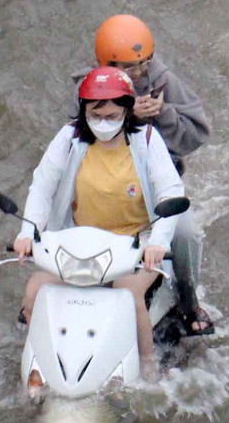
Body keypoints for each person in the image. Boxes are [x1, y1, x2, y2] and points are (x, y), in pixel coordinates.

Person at [15, 66, 184, 378]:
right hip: (79, 244)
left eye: (111, 115)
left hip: (135, 243)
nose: (103, 123)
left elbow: (170, 190)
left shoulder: (147, 140)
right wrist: (28, 232)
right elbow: (42, 186)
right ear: (83, 112)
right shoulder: (68, 139)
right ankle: (36, 363)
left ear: (127, 110)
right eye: (96, 114)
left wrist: (158, 243)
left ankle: (148, 368)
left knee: (127, 293)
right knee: (33, 290)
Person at [89, 14, 214, 336]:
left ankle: (188, 302)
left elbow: (197, 134)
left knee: (185, 235)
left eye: (143, 63)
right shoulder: (88, 87)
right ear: (106, 64)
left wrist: (163, 113)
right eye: (128, 67)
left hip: (157, 181)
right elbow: (76, 135)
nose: (139, 73)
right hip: (103, 179)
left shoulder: (163, 82)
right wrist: (126, 115)